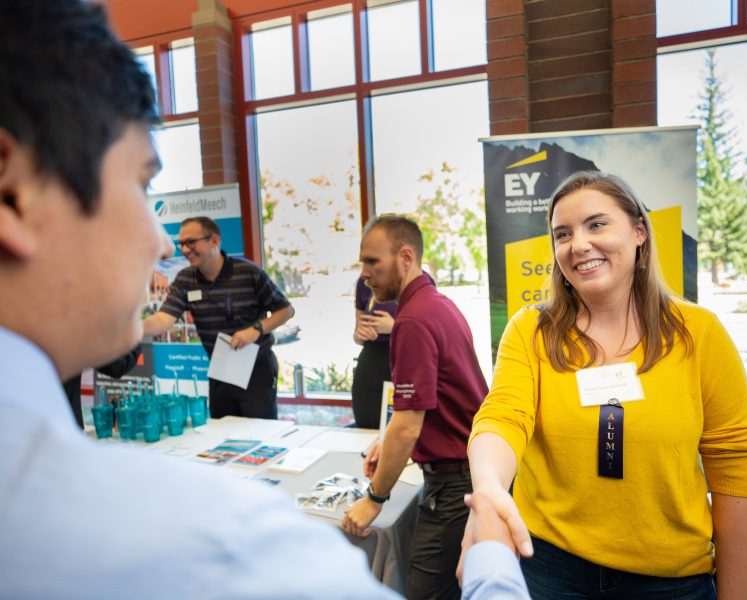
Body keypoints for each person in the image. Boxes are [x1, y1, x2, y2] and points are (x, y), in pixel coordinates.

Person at [0, 2, 527, 597]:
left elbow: (377, 391)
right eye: (139, 186)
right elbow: (165, 318)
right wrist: (490, 557)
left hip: (279, 388)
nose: (160, 242)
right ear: (16, 195)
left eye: (149, 189)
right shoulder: (216, 542)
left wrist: (259, 333)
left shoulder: (382, 308)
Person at [463, 171, 747, 599]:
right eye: (562, 234)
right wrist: (489, 487)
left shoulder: (700, 334)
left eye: (597, 224)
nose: (578, 244)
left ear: (639, 231)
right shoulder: (531, 330)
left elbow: (733, 474)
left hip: (668, 582)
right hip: (549, 568)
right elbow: (504, 417)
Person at [342, 215, 489, 600]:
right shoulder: (437, 304)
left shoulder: (413, 321)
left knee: (426, 593)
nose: (365, 274)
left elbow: (408, 425)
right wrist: (388, 444)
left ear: (405, 256)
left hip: (455, 484)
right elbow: (429, 405)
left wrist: (373, 500)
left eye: (372, 262)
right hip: (468, 472)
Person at [142, 216, 294, 419]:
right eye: (181, 244)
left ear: (214, 240)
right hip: (220, 369)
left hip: (256, 368)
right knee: (221, 435)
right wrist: (134, 328)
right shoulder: (185, 279)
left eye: (191, 242)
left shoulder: (248, 272)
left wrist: (255, 330)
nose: (185, 250)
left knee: (258, 434)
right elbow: (164, 318)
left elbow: (286, 310)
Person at [351, 276, 396, 428]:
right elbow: (357, 335)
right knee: (365, 429)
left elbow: (430, 336)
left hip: (403, 360)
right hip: (370, 364)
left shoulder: (420, 280)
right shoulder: (365, 281)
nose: (366, 270)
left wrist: (395, 327)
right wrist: (360, 334)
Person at [62, 344, 142, 429]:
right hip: (66, 425)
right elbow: (118, 366)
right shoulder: (75, 333)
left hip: (54, 421)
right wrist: (137, 338)